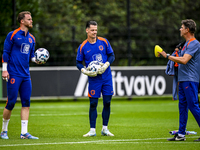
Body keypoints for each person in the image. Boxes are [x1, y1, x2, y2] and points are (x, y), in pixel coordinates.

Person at [158, 19, 200, 141]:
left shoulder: (194, 43)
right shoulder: (185, 44)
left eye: (182, 27)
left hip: (190, 79)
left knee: (193, 106)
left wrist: (167, 56)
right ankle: (181, 134)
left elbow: (184, 60)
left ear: (187, 30)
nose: (180, 29)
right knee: (182, 107)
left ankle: (182, 133)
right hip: (182, 79)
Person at [1, 11, 40, 139]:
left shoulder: (32, 38)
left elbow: (31, 56)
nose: (31, 21)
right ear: (22, 21)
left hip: (25, 75)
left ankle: (24, 133)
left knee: (26, 102)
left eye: (31, 19)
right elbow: (6, 53)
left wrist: (37, 60)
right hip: (13, 73)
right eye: (29, 19)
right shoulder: (12, 35)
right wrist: (4, 69)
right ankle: (4, 131)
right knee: (11, 102)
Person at [76, 21, 115, 137]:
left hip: (106, 76)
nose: (94, 32)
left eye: (96, 30)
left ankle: (105, 129)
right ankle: (92, 130)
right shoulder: (83, 46)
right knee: (93, 104)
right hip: (94, 79)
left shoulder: (104, 41)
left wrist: (106, 65)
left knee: (107, 102)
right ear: (87, 30)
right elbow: (78, 62)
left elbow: (112, 55)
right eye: (92, 30)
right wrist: (84, 71)